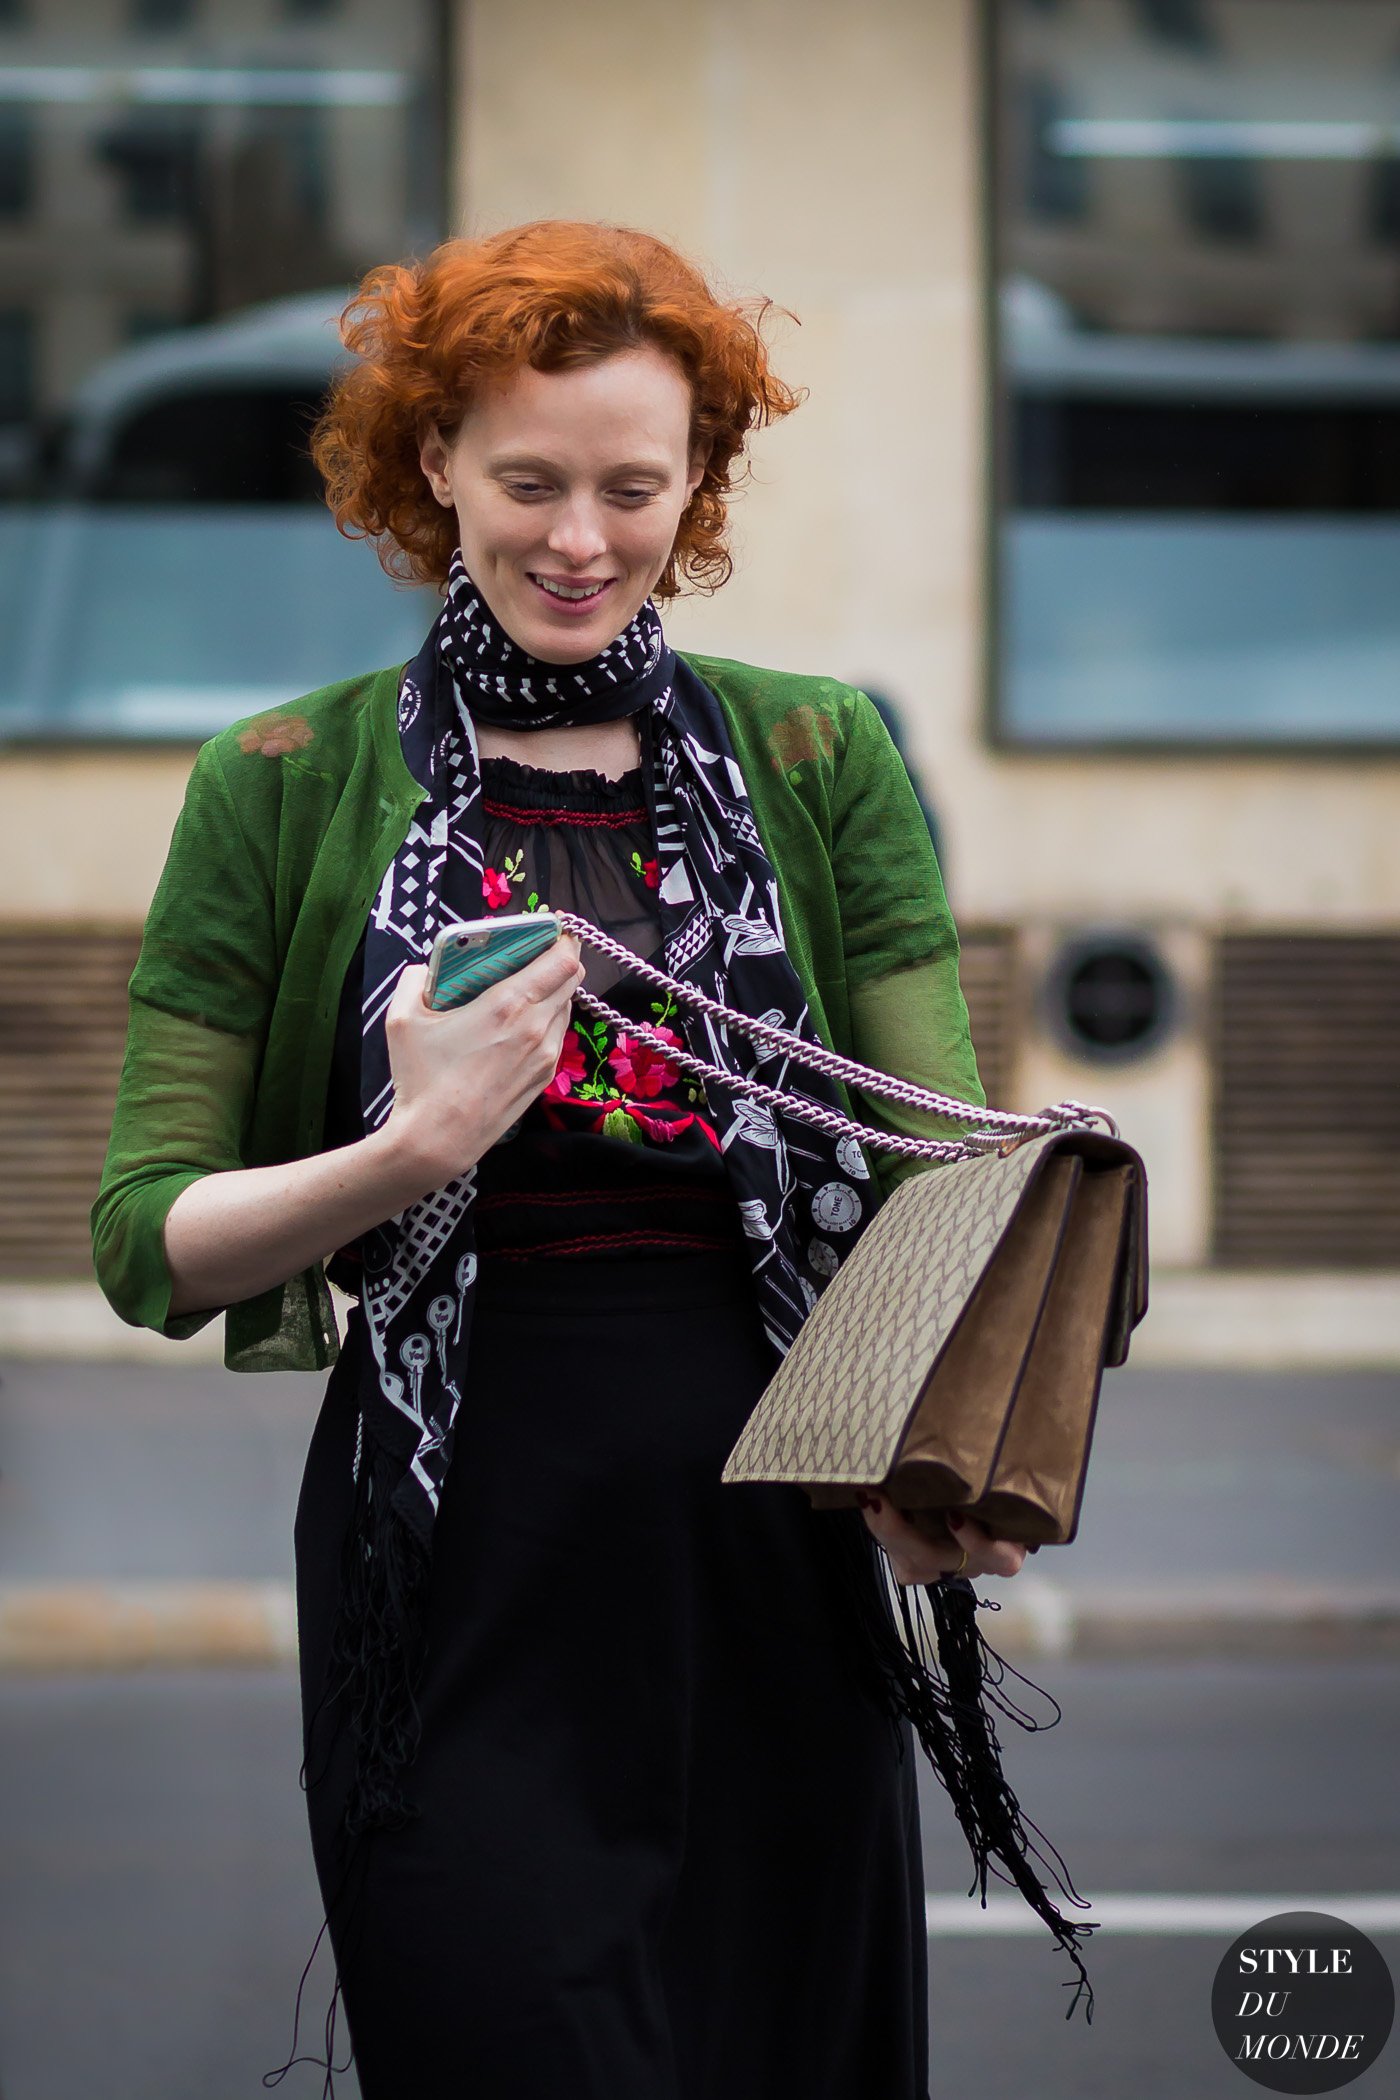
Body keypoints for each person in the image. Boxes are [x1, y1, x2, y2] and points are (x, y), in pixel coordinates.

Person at [92, 221, 1081, 2100]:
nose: (578, 539)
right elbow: (153, 1241)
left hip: (776, 1539)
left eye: (633, 487)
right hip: (462, 1554)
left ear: (697, 483)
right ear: (432, 464)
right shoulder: (279, 781)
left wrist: (941, 1453)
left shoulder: (818, 752)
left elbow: (932, 1172)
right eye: (527, 480)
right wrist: (412, 1149)